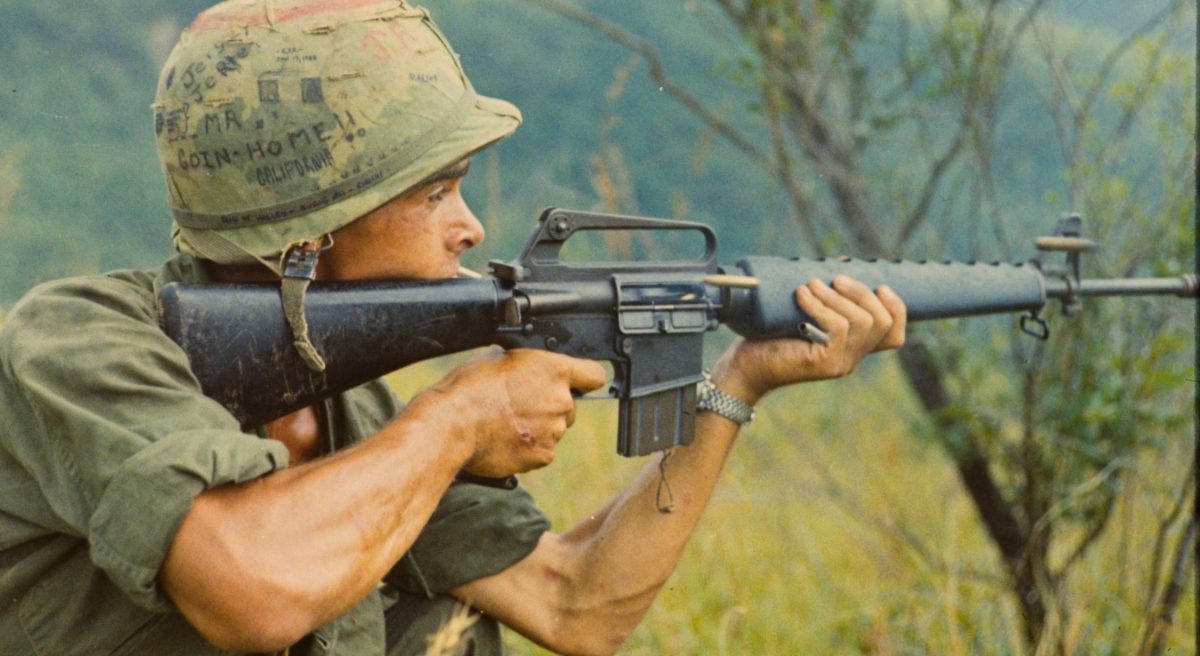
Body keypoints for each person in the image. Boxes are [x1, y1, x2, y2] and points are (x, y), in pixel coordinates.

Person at [0, 1, 906, 654]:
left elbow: (577, 605)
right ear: (307, 237)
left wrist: (736, 382)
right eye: (436, 192)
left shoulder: (345, 404)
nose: (469, 227)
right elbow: (251, 589)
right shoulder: (81, 342)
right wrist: (456, 421)